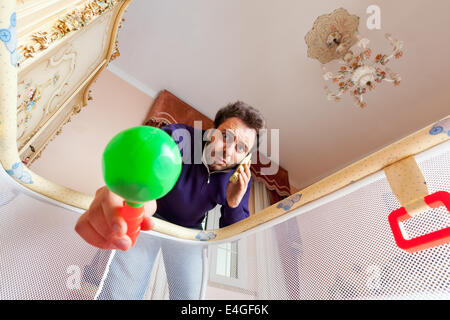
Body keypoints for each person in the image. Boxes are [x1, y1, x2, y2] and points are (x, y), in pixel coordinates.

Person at [75, 101, 266, 299]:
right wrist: (128, 200)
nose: (228, 152)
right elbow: (143, 177)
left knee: (189, 298)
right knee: (122, 291)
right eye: (225, 136)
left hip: (188, 232)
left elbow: (232, 236)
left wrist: (233, 203)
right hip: (151, 216)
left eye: (241, 148)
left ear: (246, 157)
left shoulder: (240, 178)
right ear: (212, 131)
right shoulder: (177, 138)